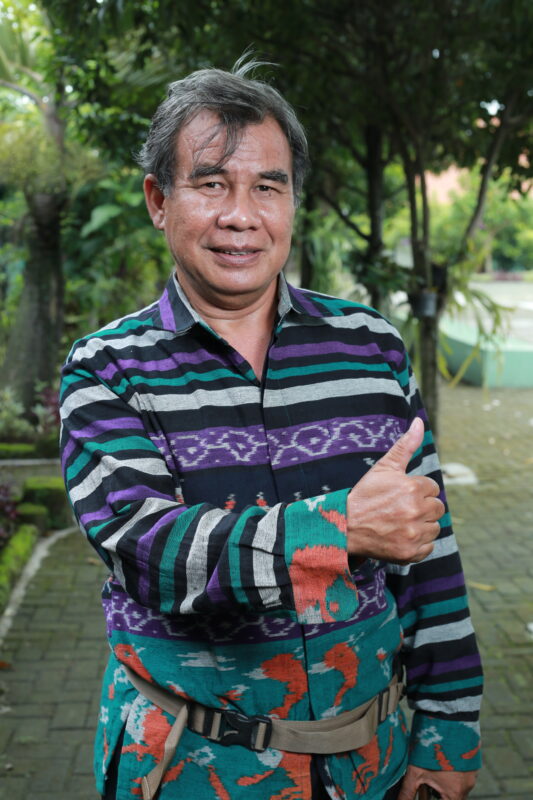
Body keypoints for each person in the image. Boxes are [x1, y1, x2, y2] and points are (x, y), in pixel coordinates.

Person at [59, 60, 483, 800]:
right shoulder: (107, 369)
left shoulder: (370, 347)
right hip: (190, 769)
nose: (240, 215)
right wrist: (338, 528)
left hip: (370, 765)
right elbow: (151, 552)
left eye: (267, 186)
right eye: (211, 184)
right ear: (159, 200)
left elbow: (428, 551)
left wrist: (449, 731)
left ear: (292, 202)